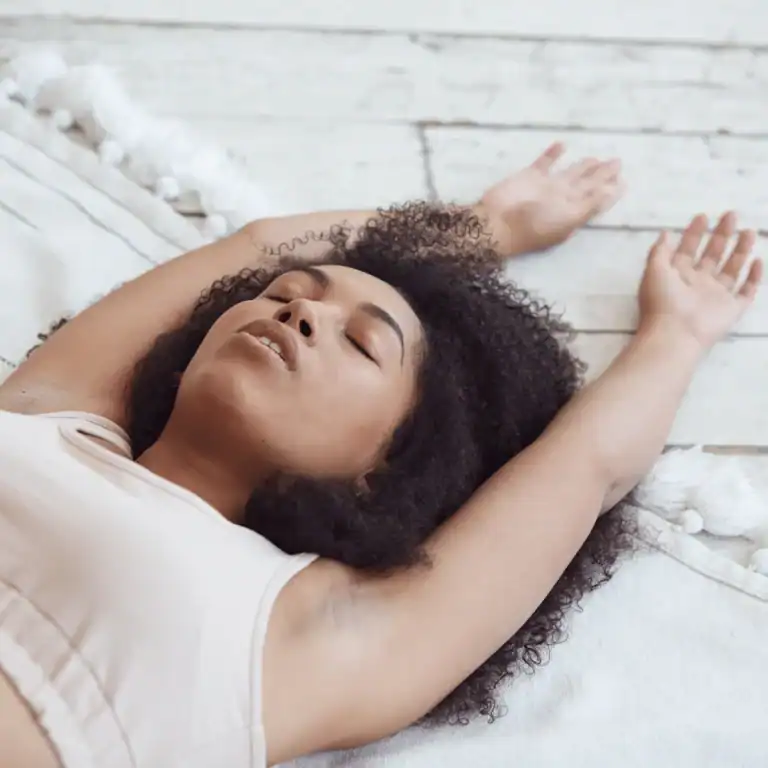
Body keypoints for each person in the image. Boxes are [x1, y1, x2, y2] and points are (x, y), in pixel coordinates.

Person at [0, 141, 761, 768]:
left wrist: (678, 334)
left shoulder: (319, 633)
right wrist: (481, 228)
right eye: (287, 296)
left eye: (363, 344)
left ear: (387, 469)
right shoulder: (50, 416)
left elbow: (587, 465)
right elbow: (258, 246)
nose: (298, 311)